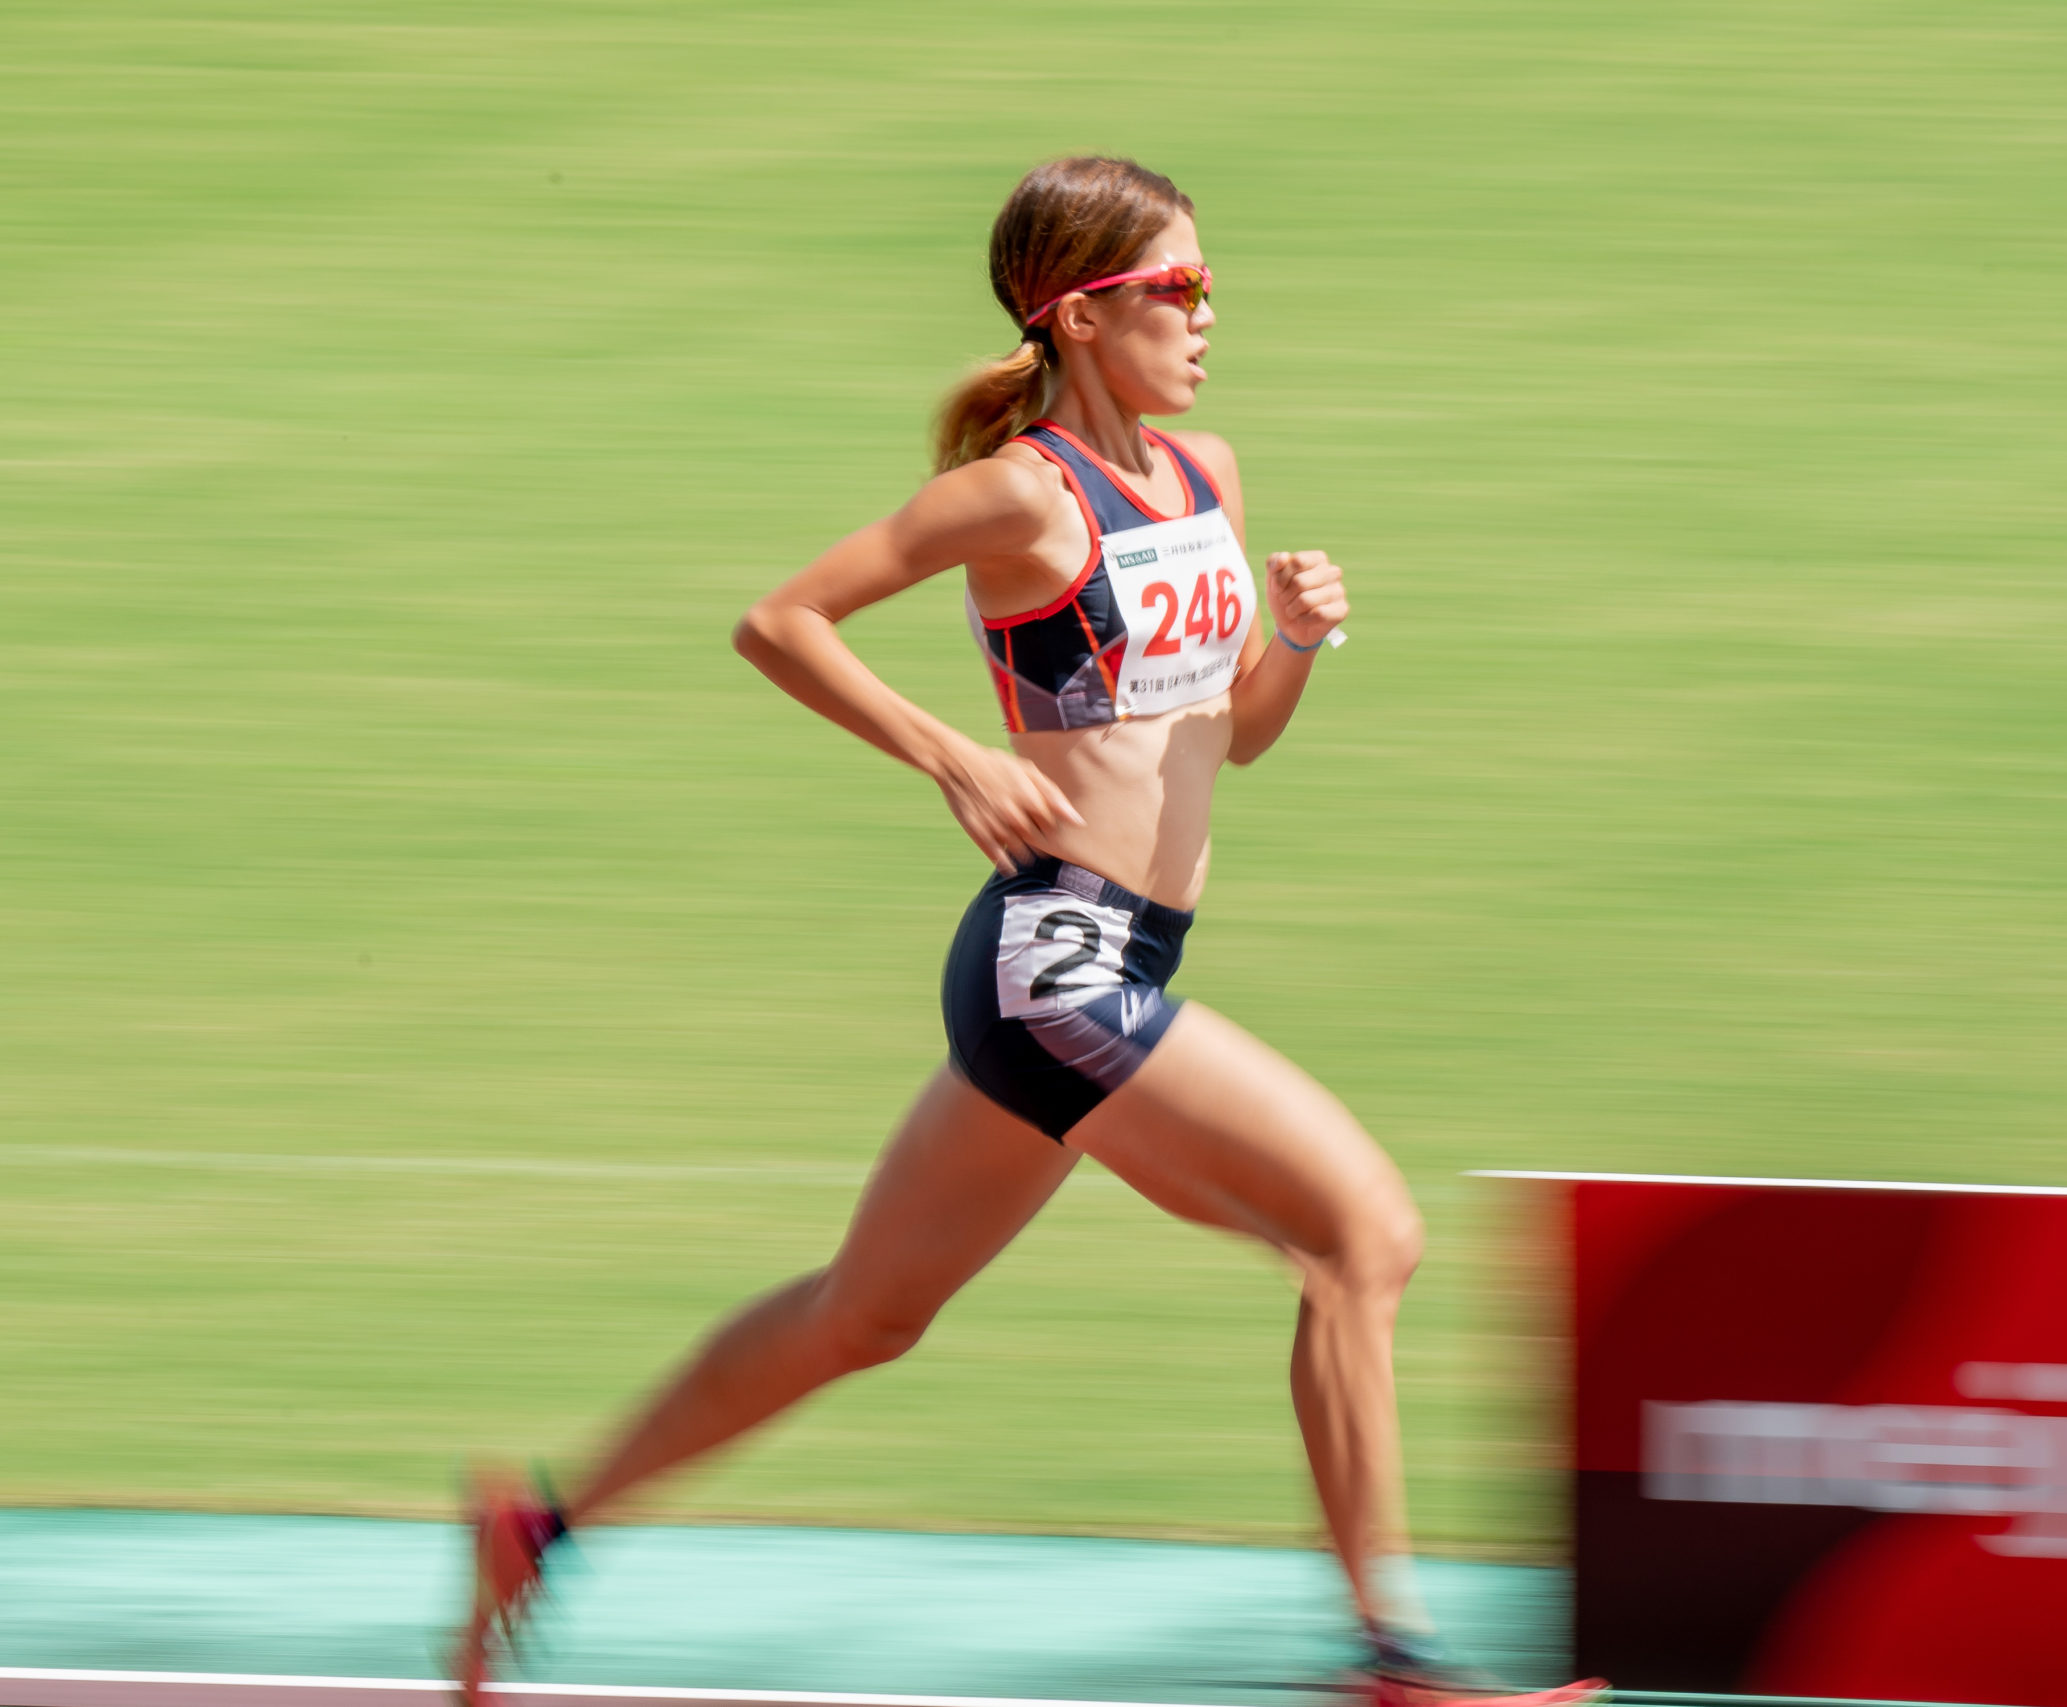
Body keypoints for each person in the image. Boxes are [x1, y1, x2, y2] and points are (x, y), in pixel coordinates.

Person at [453, 156, 1603, 1707]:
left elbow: (1229, 738)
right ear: (1077, 315)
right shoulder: (1017, 494)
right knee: (1363, 1231)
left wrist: (1306, 644)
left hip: (1117, 963)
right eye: (1175, 290)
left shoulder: (1208, 475)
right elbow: (779, 621)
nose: (1206, 318)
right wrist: (954, 753)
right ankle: (1390, 1657)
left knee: (862, 1317)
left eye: (1211, 286)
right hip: (1058, 962)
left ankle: (545, 1525)